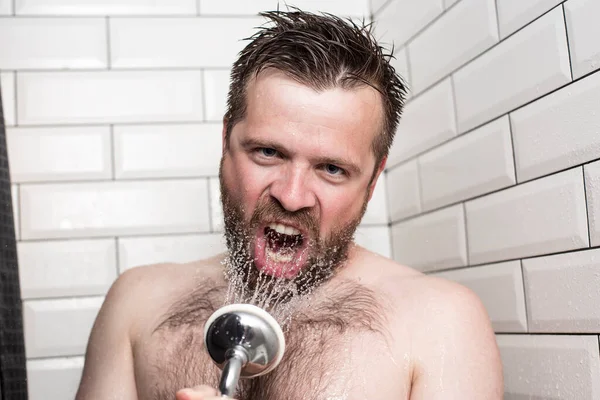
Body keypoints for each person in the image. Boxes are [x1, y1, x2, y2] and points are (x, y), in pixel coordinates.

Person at [75, 8, 503, 400]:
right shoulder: (136, 305)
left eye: (332, 168)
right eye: (267, 152)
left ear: (373, 180)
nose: (291, 195)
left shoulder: (442, 321)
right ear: (226, 142)